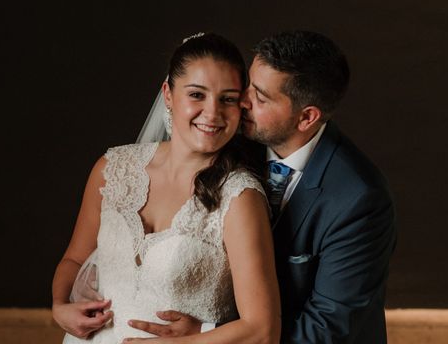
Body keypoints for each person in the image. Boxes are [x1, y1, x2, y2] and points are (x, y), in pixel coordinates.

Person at [128, 30, 396, 343]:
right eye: (248, 86)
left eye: (260, 96)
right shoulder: (230, 142)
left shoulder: (359, 199)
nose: (241, 101)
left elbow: (328, 329)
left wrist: (209, 334)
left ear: (307, 117)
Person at [51, 33, 281, 344]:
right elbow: (74, 260)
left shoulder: (240, 198)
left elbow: (262, 330)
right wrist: (60, 306)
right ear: (168, 95)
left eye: (227, 99)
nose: (212, 113)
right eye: (197, 95)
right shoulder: (112, 169)